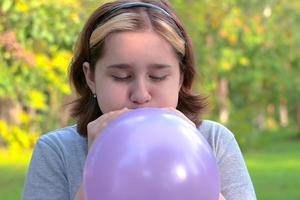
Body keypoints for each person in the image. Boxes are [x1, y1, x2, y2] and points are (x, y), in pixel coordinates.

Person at [22, 0, 256, 200]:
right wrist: (97, 168)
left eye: (158, 76)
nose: (141, 95)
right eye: (121, 76)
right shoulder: (56, 152)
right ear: (91, 77)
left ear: (180, 77)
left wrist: (199, 172)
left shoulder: (214, 141)